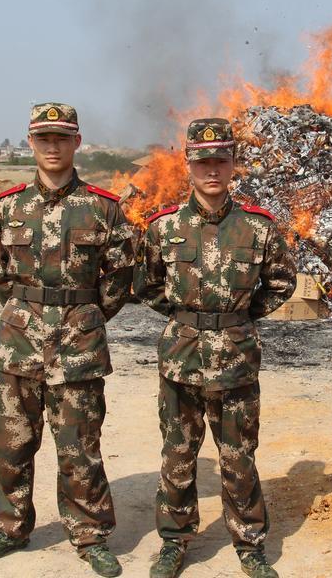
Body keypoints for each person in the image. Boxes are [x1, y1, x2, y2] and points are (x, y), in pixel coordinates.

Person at [0, 102, 134, 577]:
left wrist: (83, 316)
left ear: (76, 142)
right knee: (12, 445)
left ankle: (90, 534)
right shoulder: (7, 207)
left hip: (78, 349)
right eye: (44, 138)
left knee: (80, 448)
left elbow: (120, 278)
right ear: (31, 142)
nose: (52, 146)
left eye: (61, 137)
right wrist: (30, 313)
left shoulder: (104, 208)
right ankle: (11, 528)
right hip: (17, 346)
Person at [135, 118, 297, 578]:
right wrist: (187, 319)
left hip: (236, 361)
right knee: (178, 455)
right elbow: (146, 285)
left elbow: (282, 282)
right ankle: (174, 541)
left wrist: (238, 317)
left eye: (220, 161)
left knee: (238, 457)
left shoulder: (258, 227)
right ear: (188, 164)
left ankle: (249, 543)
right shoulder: (164, 227)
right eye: (203, 161)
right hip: (181, 359)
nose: (212, 170)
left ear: (233, 164)